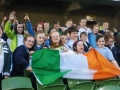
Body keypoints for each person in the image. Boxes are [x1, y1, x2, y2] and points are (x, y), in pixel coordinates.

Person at [0, 25, 12, 90]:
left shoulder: (5, 44)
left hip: (1, 74)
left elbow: (8, 60)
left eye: (1, 30)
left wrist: (6, 73)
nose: (0, 31)